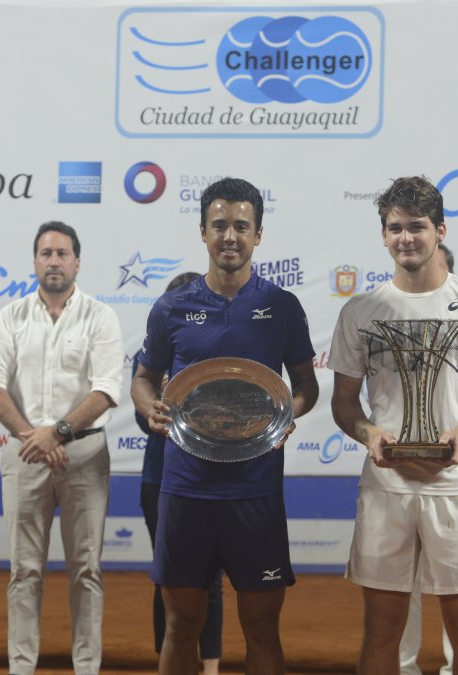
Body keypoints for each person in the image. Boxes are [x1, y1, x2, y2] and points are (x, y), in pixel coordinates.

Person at [329, 176, 458, 675]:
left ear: (440, 230)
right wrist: (369, 433)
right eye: (395, 228)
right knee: (382, 629)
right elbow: (344, 404)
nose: (405, 238)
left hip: (454, 489)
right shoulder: (360, 310)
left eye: (417, 227)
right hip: (385, 489)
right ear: (384, 234)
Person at [131, 177, 319, 675]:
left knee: (261, 628)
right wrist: (150, 406)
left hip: (254, 491)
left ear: (258, 235)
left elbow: (306, 385)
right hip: (185, 489)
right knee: (181, 625)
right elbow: (144, 378)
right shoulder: (171, 307)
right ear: (202, 232)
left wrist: (287, 413)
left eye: (241, 225)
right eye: (220, 225)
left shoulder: (282, 307)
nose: (229, 236)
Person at [0, 221, 124, 675]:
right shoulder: (11, 316)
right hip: (25, 455)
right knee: (24, 572)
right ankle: (21, 668)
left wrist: (57, 432)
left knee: (87, 570)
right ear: (35, 261)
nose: (54, 261)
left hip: (84, 456)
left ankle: (87, 668)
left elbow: (105, 390)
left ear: (77, 262)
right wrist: (34, 436)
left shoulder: (100, 316)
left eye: (63, 253)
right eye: (46, 253)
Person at [134, 271, 222, 674]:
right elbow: (141, 422)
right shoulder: (151, 358)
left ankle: (212, 665)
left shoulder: (213, 354)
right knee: (168, 577)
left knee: (212, 578)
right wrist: (161, 400)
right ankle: (168, 657)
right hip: (161, 478)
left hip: (214, 474)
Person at [399, 241, 456, 675]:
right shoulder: (386, 314)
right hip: (395, 478)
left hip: (455, 476)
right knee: (400, 585)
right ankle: (403, 667)